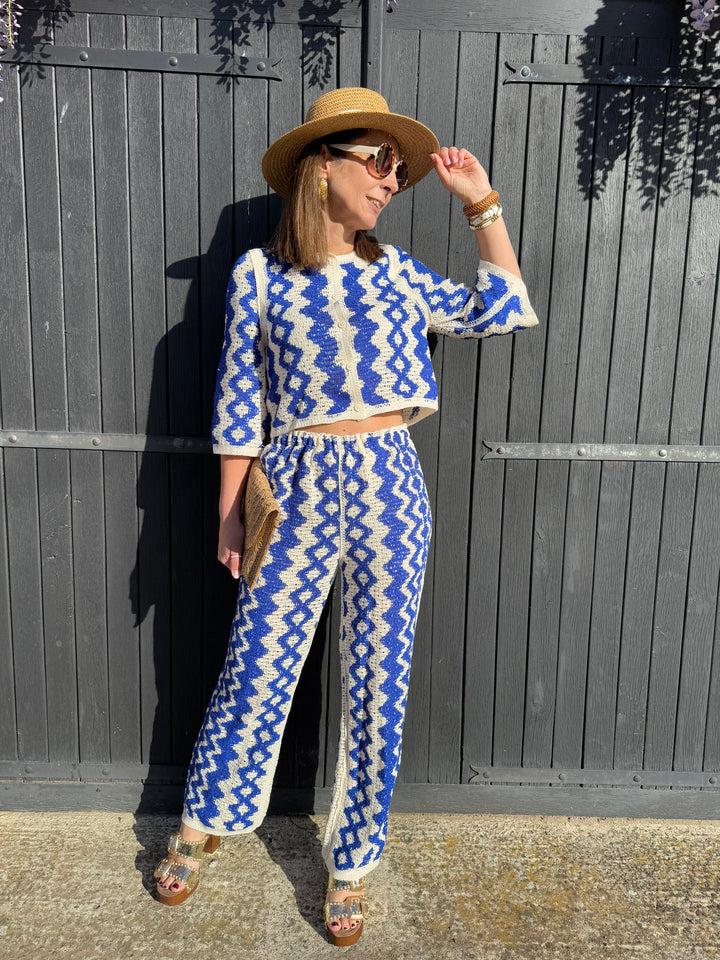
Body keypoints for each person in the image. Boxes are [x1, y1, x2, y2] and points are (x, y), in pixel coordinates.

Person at [154, 86, 538, 945]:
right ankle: (202, 821)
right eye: (379, 160)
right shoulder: (259, 276)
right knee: (257, 664)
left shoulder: (395, 271)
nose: (392, 179)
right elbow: (239, 402)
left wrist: (481, 203)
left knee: (378, 681)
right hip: (292, 481)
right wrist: (229, 513)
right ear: (319, 167)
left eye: (398, 167)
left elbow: (501, 309)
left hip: (388, 480)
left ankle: (354, 860)